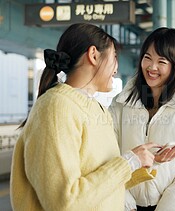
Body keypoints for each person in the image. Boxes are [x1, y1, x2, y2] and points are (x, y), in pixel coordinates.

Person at [10, 23, 158, 211]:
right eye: (114, 57)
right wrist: (128, 162)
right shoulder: (56, 107)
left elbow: (96, 188)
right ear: (94, 55)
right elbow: (65, 202)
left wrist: (139, 162)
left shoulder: (97, 108)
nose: (116, 68)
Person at [109, 27, 175, 211]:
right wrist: (126, 204)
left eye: (161, 61)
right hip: (128, 206)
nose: (152, 67)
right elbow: (109, 154)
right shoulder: (121, 103)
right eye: (147, 58)